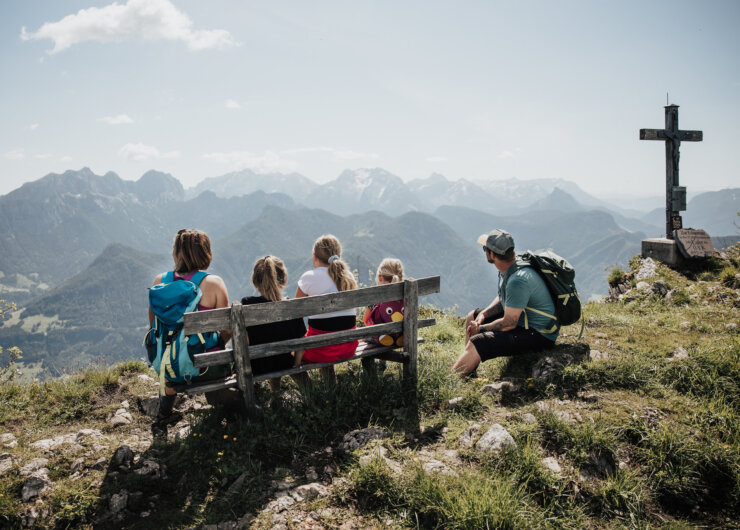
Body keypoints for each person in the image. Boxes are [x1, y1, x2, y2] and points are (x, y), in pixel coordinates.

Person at [149, 229, 231, 428]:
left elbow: (153, 327)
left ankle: (164, 413)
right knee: (217, 350)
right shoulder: (214, 283)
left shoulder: (160, 282)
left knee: (171, 348)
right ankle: (224, 409)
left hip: (169, 365)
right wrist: (219, 343)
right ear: (205, 253)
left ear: (176, 253)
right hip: (205, 367)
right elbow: (227, 329)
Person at [452, 229, 558, 377]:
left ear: (493, 255)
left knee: (479, 341)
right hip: (524, 320)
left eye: (485, 249)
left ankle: (453, 380)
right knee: (472, 316)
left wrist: (481, 329)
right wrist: (483, 314)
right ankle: (470, 370)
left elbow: (509, 323)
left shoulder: (518, 280)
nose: (484, 252)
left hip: (539, 334)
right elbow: (505, 297)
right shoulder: (511, 265)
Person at [295, 234, 358, 379]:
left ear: (314, 257)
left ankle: (309, 393)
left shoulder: (308, 277)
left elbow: (295, 314)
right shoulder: (348, 277)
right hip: (348, 346)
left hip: (320, 351)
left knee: (290, 351)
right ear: (338, 256)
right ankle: (329, 386)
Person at [241, 255, 307, 392]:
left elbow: (244, 340)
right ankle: (311, 397)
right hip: (285, 362)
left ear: (255, 282)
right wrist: (296, 363)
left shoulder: (247, 304)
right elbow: (301, 338)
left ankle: (275, 395)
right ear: (284, 280)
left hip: (258, 365)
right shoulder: (291, 306)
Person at [363, 258, 405, 353]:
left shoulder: (375, 294)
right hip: (401, 336)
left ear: (380, 277)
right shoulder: (405, 292)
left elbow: (366, 320)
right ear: (401, 277)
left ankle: (370, 366)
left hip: (381, 337)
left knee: (368, 337)